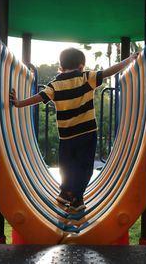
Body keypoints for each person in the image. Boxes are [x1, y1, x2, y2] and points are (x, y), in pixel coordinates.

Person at [10, 48, 138, 211]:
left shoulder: (54, 85)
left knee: (67, 165)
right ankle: (77, 198)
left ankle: (65, 192)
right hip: (86, 133)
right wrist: (128, 60)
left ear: (61, 67)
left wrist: (19, 103)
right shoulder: (86, 78)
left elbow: (39, 97)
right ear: (81, 66)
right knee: (83, 166)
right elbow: (108, 72)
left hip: (66, 136)